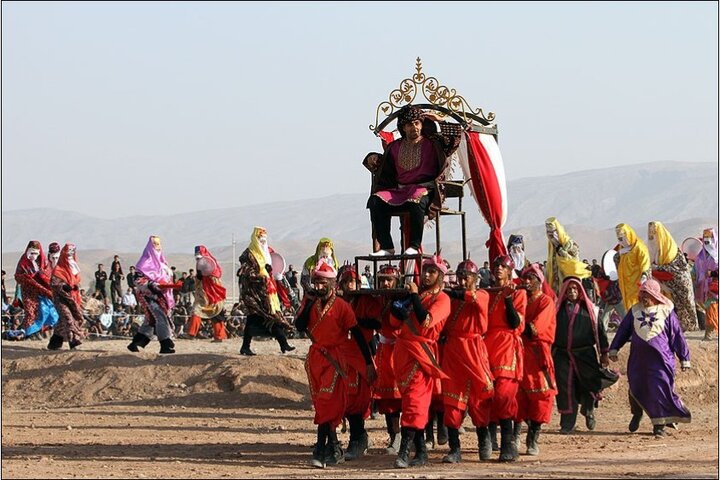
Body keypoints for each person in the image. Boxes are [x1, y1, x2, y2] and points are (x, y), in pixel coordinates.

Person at [294, 260, 375, 469]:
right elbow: (300, 325)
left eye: (323, 283)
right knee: (322, 403)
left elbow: (357, 334)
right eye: (316, 283)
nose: (319, 287)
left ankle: (324, 448)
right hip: (316, 358)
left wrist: (368, 363)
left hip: (336, 358)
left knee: (328, 402)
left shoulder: (342, 307)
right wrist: (310, 302)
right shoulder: (310, 303)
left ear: (332, 284)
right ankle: (332, 447)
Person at [363, 105, 463, 256]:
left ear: (422, 124)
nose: (414, 127)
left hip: (426, 188)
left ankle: (414, 246)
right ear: (403, 127)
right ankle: (387, 247)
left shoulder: (433, 143)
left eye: (417, 123)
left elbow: (454, 139)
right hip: (400, 191)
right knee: (376, 201)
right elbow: (385, 167)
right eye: (410, 124)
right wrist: (372, 159)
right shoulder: (394, 147)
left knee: (416, 198)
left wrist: (439, 120)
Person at [388, 255, 451, 469]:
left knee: (415, 402)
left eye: (432, 272)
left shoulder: (442, 299)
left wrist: (414, 296)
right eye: (425, 270)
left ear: (441, 276)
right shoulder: (418, 295)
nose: (426, 275)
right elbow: (394, 323)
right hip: (404, 353)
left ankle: (404, 452)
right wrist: (396, 309)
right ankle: (421, 452)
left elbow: (426, 322)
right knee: (409, 401)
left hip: (422, 354)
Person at [609, 279, 692, 437]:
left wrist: (684, 358)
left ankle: (659, 426)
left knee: (659, 389)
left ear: (655, 295)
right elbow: (623, 331)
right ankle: (637, 413)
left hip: (661, 360)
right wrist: (614, 348)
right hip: (638, 360)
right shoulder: (634, 311)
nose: (644, 297)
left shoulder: (666, 312)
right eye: (642, 293)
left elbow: (677, 336)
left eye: (647, 294)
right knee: (635, 387)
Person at [439, 259, 493, 464]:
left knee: (479, 399)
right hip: (453, 351)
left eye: (466, 277)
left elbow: (472, 298)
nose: (462, 281)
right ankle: (455, 448)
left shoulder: (482, 295)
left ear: (475, 279)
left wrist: (452, 293)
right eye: (460, 277)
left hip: (474, 350)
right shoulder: (452, 300)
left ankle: (483, 440)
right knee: (452, 401)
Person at [335, 265, 382, 461]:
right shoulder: (335, 303)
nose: (349, 285)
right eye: (345, 282)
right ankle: (340, 440)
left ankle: (358, 438)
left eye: (352, 281)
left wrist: (357, 321)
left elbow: (378, 323)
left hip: (361, 357)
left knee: (357, 400)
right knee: (339, 399)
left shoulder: (365, 300)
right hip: (339, 357)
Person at [553, 277, 610, 434]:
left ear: (580, 291)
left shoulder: (591, 310)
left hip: (585, 354)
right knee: (566, 389)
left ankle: (588, 410)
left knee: (589, 386)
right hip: (563, 355)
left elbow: (600, 332)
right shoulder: (557, 310)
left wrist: (604, 353)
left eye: (575, 289)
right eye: (569, 289)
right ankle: (567, 423)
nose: (572, 292)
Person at [484, 255, 526, 462]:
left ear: (510, 271)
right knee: (486, 394)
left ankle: (508, 443)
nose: (498, 268)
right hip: (486, 346)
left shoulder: (518, 294)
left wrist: (508, 298)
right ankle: (488, 439)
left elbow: (514, 322)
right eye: (496, 265)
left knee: (504, 394)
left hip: (506, 346)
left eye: (503, 266)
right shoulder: (487, 293)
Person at [517, 263, 557, 456]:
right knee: (516, 394)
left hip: (537, 353)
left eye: (530, 278)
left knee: (541, 395)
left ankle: (533, 436)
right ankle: (515, 434)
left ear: (539, 281)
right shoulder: (521, 299)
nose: (526, 282)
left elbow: (535, 329)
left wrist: (513, 320)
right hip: (518, 352)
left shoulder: (546, 302)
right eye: (525, 278)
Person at [237, 227, 295, 355]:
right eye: (260, 240)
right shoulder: (248, 254)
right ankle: (246, 346)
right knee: (255, 317)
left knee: (271, 315)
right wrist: (260, 276)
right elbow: (246, 272)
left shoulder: (267, 254)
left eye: (264, 240)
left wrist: (269, 273)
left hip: (267, 293)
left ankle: (283, 344)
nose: (262, 242)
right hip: (252, 293)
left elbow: (272, 271)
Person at [126, 236, 181, 354]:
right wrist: (153, 285)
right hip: (149, 295)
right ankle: (165, 343)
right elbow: (138, 281)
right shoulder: (143, 263)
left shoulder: (162, 264)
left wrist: (170, 286)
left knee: (150, 320)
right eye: (155, 244)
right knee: (160, 317)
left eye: (158, 244)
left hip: (162, 295)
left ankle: (136, 342)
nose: (157, 247)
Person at [370, 264, 404, 454]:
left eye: (388, 279)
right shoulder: (376, 299)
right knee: (387, 397)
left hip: (402, 349)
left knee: (407, 395)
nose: (385, 283)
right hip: (384, 350)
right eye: (382, 279)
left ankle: (412, 436)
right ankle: (395, 436)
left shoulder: (403, 298)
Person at [647, 221, 698, 331]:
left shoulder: (670, 248)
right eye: (650, 233)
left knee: (683, 306)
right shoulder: (653, 248)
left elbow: (676, 268)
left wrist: (656, 268)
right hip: (663, 282)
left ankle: (687, 327)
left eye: (654, 233)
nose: (652, 236)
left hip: (678, 283)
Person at [13, 240, 59, 340]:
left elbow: (48, 276)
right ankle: (25, 333)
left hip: (43, 291)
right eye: (31, 252)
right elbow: (17, 276)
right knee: (30, 312)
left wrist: (42, 275)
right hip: (29, 292)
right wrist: (27, 278)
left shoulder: (43, 262)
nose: (33, 255)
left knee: (48, 312)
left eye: (36, 253)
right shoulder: (23, 261)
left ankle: (35, 332)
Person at [46, 244, 86, 350]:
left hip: (72, 298)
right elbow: (54, 283)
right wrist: (64, 286)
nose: (70, 255)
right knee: (68, 318)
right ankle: (73, 341)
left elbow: (76, 281)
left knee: (62, 322)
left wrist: (75, 287)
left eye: (72, 253)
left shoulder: (74, 267)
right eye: (68, 253)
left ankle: (54, 343)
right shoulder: (58, 269)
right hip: (60, 299)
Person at [187, 246, 228, 342]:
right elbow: (198, 280)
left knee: (216, 314)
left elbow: (216, 278)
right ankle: (191, 333)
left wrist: (207, 277)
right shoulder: (199, 265)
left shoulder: (213, 266)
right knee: (196, 310)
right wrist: (199, 278)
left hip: (214, 293)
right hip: (203, 294)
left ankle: (219, 336)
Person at [545, 217, 591, 295]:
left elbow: (574, 259)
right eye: (549, 233)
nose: (551, 236)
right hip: (555, 284)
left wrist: (562, 252)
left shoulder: (570, 244)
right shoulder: (552, 247)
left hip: (568, 281)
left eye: (553, 233)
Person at [615, 223, 651, 312]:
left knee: (638, 310)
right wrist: (618, 254)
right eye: (619, 239)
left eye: (622, 238)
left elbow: (645, 264)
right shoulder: (621, 248)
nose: (621, 242)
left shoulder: (639, 248)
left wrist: (644, 276)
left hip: (636, 286)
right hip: (625, 286)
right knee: (629, 311)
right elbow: (617, 263)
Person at [694, 228, 718, 308]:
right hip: (703, 292)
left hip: (715, 290)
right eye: (705, 237)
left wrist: (713, 273)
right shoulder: (700, 256)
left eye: (710, 237)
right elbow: (695, 270)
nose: (707, 239)